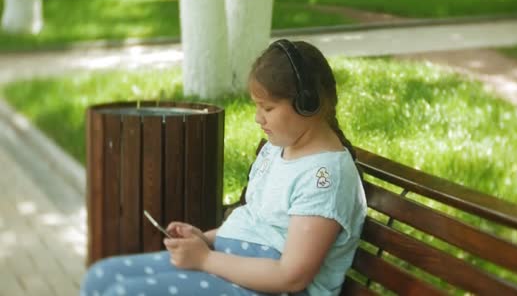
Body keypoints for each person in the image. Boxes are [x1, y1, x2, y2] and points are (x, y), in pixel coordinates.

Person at [80, 39, 367, 296]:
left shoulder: (326, 178)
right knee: (101, 276)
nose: (258, 118)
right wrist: (203, 239)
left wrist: (204, 259)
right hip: (233, 268)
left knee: (122, 293)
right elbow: (256, 222)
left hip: (267, 287)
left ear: (308, 104)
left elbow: (291, 277)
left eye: (267, 108)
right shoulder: (277, 148)